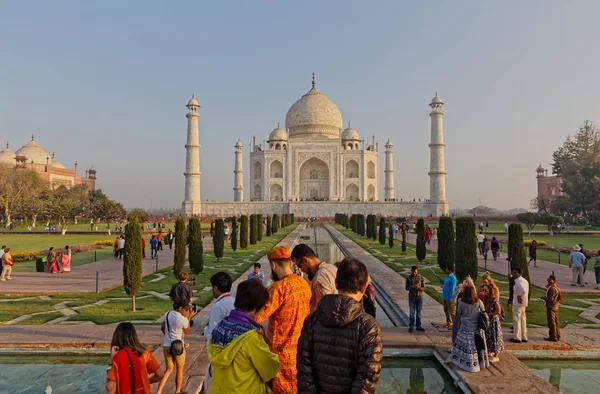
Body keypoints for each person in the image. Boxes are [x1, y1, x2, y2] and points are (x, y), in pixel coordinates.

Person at [297, 258, 383, 393]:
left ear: (336, 284)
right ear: (364, 286)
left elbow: (304, 371)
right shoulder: (369, 327)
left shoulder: (311, 321)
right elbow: (367, 379)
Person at [208, 279, 280, 394]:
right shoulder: (251, 337)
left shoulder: (220, 327)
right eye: (263, 308)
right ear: (255, 309)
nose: (263, 312)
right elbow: (269, 369)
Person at [255, 246, 311, 393]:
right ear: (290, 263)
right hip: (299, 355)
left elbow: (257, 317)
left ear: (273, 265)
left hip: (280, 359)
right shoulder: (303, 284)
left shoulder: (279, 288)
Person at [106, 322, 164, 394]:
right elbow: (160, 374)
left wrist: (111, 363)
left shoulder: (118, 358)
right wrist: (143, 382)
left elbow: (110, 389)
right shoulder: (144, 353)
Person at [156, 299, 199, 394]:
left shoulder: (167, 314)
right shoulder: (182, 319)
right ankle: (177, 391)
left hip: (167, 345)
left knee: (168, 369)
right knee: (180, 368)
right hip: (178, 347)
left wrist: (168, 336)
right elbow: (186, 331)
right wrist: (189, 317)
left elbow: (162, 328)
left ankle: (158, 391)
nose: (187, 311)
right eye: (186, 309)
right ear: (180, 308)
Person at [447, 284, 489, 372]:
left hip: (464, 329)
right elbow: (483, 312)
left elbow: (459, 313)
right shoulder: (479, 302)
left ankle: (465, 364)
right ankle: (478, 364)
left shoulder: (461, 303)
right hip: (476, 329)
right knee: (476, 347)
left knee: (465, 348)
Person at [291, 243, 338, 313]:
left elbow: (324, 311)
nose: (301, 270)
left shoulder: (319, 279)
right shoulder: (331, 267)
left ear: (305, 260)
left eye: (299, 266)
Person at [204, 272, 235, 340]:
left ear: (215, 288)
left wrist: (206, 329)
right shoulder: (235, 302)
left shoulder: (218, 306)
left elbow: (212, 335)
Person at [479, 284, 503, 362]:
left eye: (485, 290)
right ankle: (489, 351)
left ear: (489, 291)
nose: (483, 292)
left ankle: (496, 355)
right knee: (488, 337)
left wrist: (488, 314)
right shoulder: (485, 299)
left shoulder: (494, 300)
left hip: (493, 321)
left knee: (494, 337)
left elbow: (498, 311)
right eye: (483, 290)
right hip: (488, 321)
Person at [541, 275, 562, 342]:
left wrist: (544, 298)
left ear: (553, 281)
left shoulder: (552, 288)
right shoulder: (555, 287)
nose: (548, 280)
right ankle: (557, 335)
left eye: (549, 280)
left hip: (551, 307)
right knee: (556, 322)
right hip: (555, 306)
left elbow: (550, 299)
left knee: (552, 322)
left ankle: (553, 336)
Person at [511, 267, 529, 343]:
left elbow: (523, 290)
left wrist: (519, 296)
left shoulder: (519, 281)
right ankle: (524, 336)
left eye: (515, 272)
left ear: (519, 273)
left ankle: (517, 337)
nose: (514, 274)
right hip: (523, 303)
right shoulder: (525, 281)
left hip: (518, 303)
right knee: (523, 320)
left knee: (517, 320)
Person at [405, 266, 425, 332]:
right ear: (411, 270)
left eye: (415, 271)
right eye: (413, 271)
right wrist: (413, 287)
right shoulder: (408, 278)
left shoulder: (420, 277)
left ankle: (418, 326)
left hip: (419, 297)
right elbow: (406, 287)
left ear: (417, 271)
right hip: (412, 297)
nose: (414, 273)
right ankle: (411, 326)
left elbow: (424, 287)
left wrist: (420, 288)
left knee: (418, 312)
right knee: (412, 312)